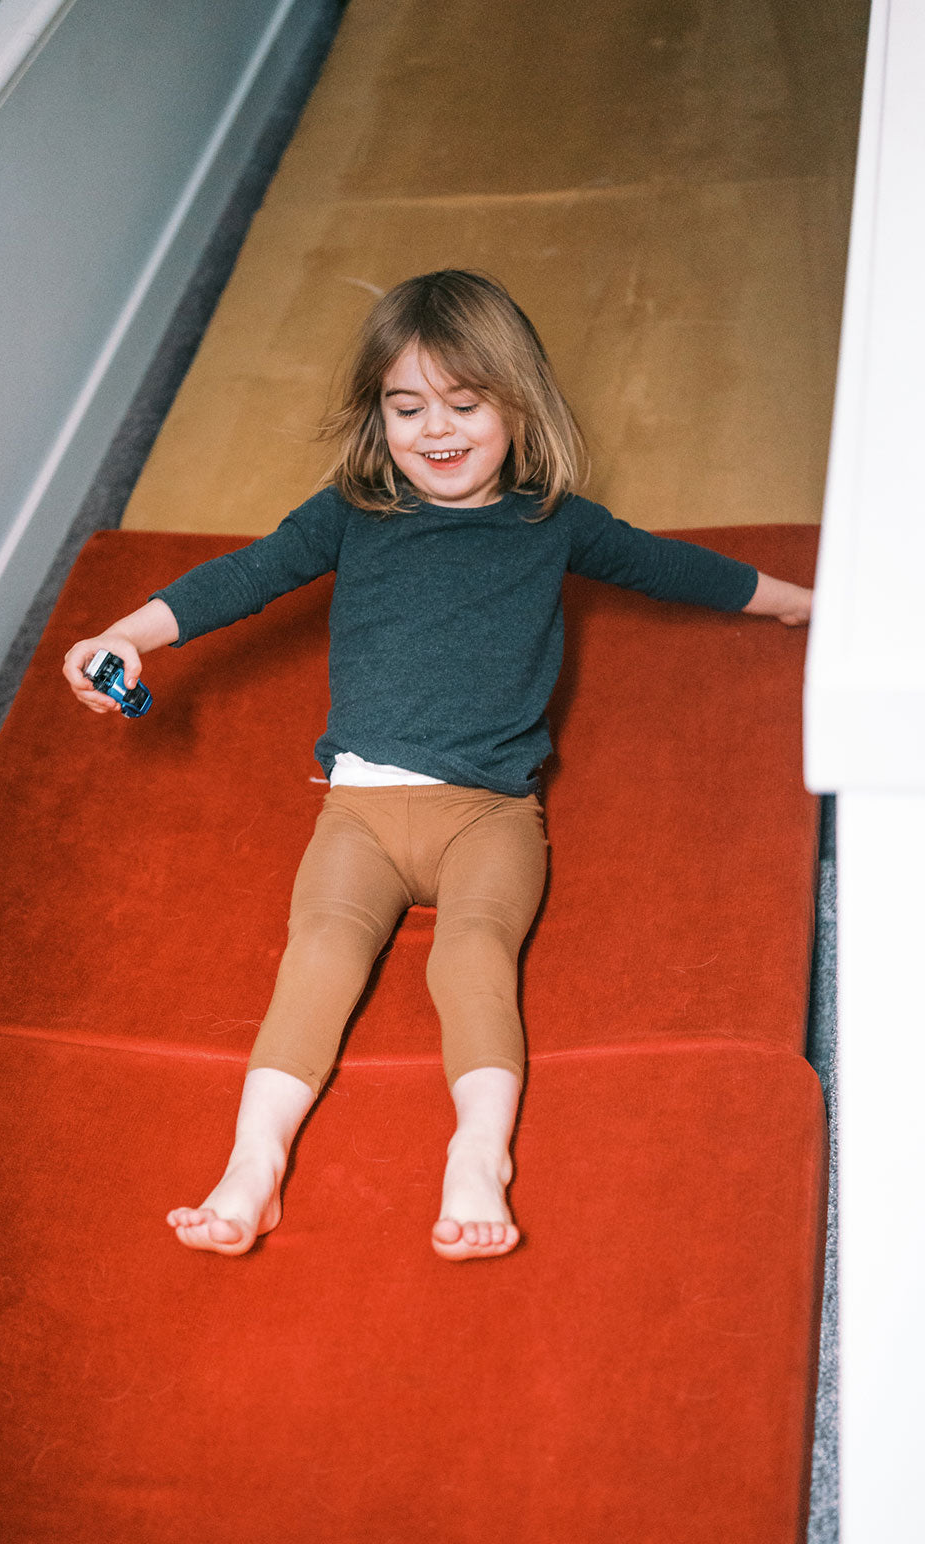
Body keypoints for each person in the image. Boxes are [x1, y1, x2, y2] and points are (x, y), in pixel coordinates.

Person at [62, 270, 812, 1262]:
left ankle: (480, 1152)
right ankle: (254, 1160)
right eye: (407, 406)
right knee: (317, 957)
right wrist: (131, 632)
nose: (436, 430)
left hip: (490, 817)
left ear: (518, 403)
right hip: (359, 817)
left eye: (465, 404)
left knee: (472, 959)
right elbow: (243, 576)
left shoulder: (554, 521)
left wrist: (800, 601)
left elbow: (675, 568)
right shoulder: (351, 512)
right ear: (379, 413)